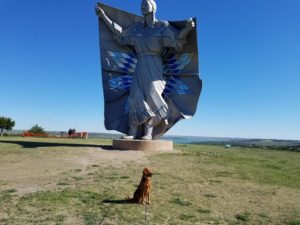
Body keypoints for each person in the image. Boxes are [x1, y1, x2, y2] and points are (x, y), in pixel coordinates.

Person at [96, 0, 195, 140]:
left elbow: (176, 42)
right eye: (141, 4)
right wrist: (104, 16)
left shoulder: (162, 27)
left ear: (153, 7)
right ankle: (132, 131)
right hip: (140, 64)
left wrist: (187, 29)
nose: (142, 6)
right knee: (135, 96)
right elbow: (121, 34)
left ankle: (148, 132)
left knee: (152, 95)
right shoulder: (136, 29)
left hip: (155, 64)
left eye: (145, 3)